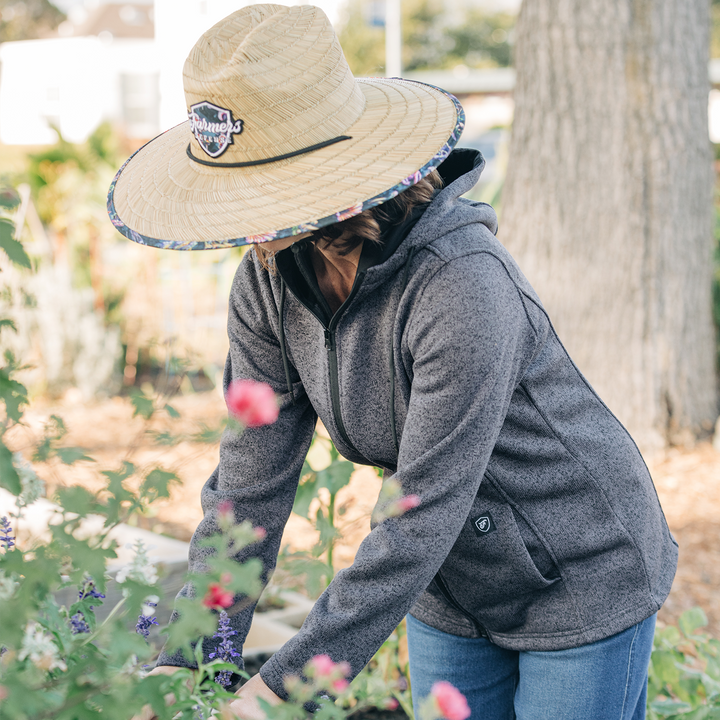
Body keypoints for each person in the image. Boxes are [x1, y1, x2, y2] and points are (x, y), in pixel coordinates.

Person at [110, 5, 678, 720]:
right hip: (450, 582)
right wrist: (192, 655)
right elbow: (249, 487)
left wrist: (282, 689)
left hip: (581, 573)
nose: (241, 223)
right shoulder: (266, 282)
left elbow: (421, 513)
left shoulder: (462, 284)